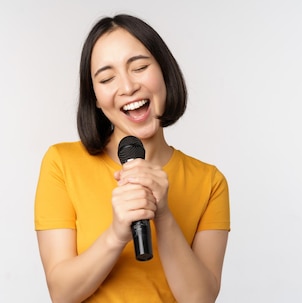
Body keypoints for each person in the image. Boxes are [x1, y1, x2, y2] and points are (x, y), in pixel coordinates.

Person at [34, 14, 230, 302]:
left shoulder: (210, 181)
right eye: (107, 78)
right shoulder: (61, 163)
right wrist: (115, 235)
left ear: (164, 71)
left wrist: (162, 213)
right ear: (96, 99)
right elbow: (61, 293)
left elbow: (200, 299)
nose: (127, 87)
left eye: (139, 67)